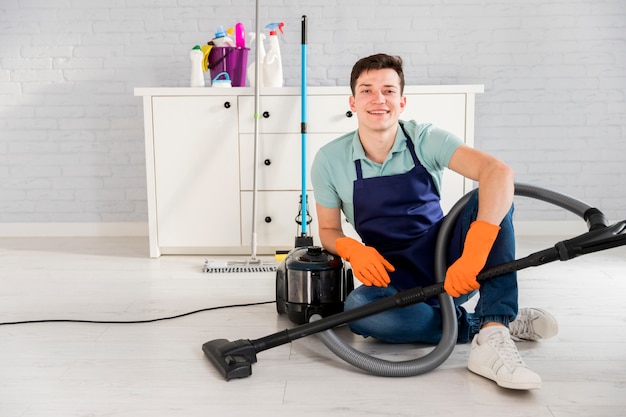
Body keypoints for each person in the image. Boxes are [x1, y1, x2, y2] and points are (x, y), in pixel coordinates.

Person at [310, 53, 558, 390]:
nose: (378, 99)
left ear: (402, 101)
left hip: (448, 261)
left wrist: (471, 257)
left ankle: (494, 332)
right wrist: (354, 250)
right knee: (360, 310)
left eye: (388, 90)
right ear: (353, 101)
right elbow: (327, 230)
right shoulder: (329, 159)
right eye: (367, 90)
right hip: (391, 273)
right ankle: (479, 323)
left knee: (490, 197)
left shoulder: (423, 139)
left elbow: (498, 172)